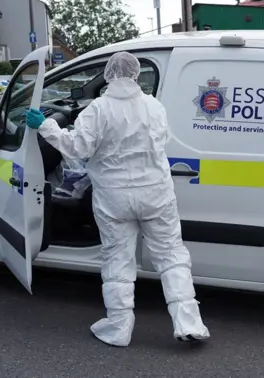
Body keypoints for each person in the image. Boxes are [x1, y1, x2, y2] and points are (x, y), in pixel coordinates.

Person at [25, 52, 210, 347]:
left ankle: (119, 328)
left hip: (114, 197)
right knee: (172, 256)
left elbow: (77, 148)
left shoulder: (98, 109)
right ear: (136, 75)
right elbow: (163, 142)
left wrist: (46, 126)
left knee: (117, 260)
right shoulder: (154, 106)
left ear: (109, 75)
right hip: (156, 193)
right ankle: (190, 323)